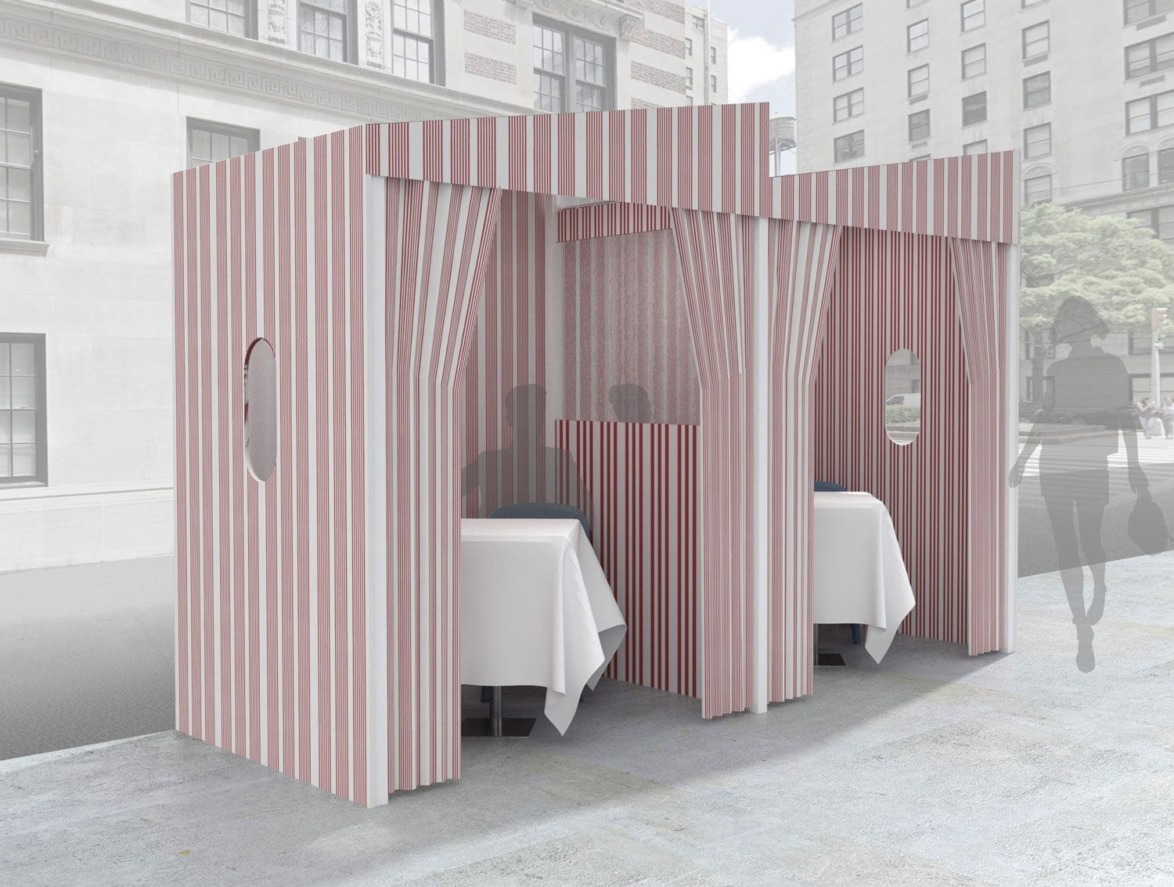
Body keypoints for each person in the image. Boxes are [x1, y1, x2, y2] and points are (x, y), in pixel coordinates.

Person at [1009, 297, 1148, 673]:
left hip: (1089, 462)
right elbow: (1046, 416)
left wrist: (1135, 467)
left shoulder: (1111, 364)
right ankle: (1079, 624)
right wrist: (1023, 460)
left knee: (1089, 539)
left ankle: (1098, 585)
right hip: (1056, 462)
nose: (1066, 329)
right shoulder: (1059, 367)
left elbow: (1124, 413)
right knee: (1066, 545)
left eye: (1071, 321)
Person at [462, 384, 594, 526]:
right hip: (516, 544)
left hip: (545, 543)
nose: (534, 419)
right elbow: (445, 495)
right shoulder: (488, 462)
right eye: (525, 412)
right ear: (510, 419)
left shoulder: (561, 460)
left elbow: (586, 510)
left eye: (538, 413)